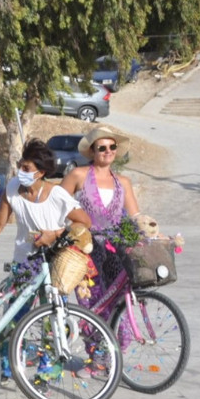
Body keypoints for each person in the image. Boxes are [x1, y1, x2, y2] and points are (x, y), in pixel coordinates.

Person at [57, 125, 140, 314]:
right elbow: (56, 204)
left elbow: (136, 216)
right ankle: (91, 334)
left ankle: (117, 335)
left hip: (115, 250)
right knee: (91, 303)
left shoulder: (123, 182)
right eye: (102, 148)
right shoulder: (78, 175)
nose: (108, 151)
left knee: (119, 304)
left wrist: (152, 233)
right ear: (92, 151)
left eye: (112, 147)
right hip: (85, 249)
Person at [0, 139, 92, 260]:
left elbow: (84, 222)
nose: (20, 171)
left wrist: (55, 234)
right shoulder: (12, 187)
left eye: (26, 168)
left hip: (52, 261)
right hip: (22, 261)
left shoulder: (56, 194)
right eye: (20, 166)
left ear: (41, 173)